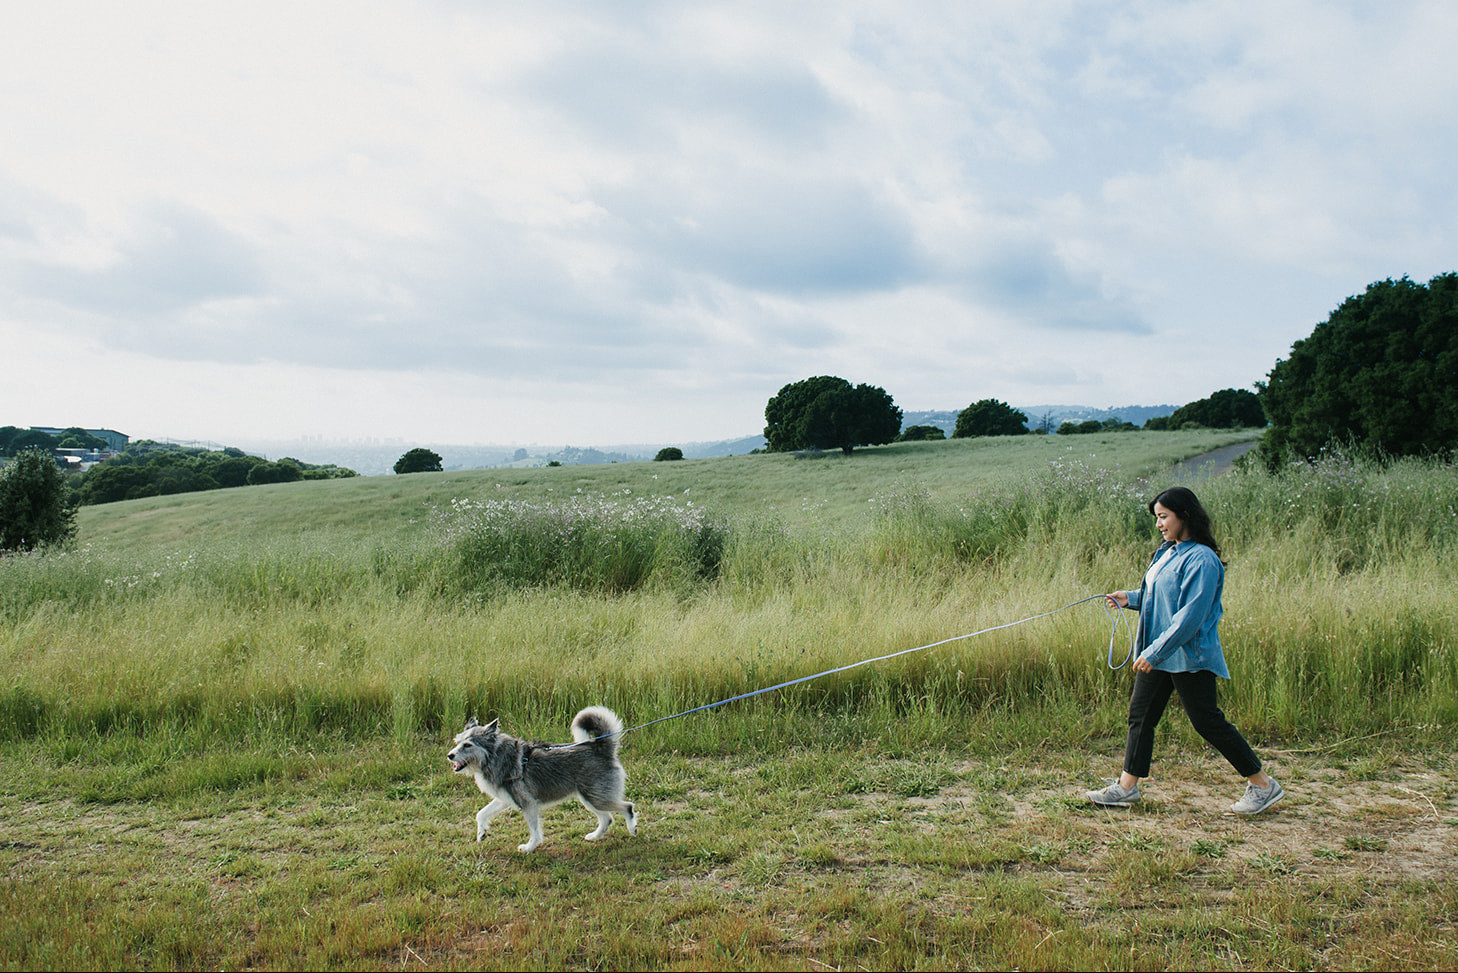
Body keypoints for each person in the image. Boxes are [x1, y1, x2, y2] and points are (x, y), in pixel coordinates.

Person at [1086, 486, 1283, 815]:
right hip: (1160, 656)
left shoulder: (1203, 560)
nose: (1159, 524)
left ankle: (1263, 785)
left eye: (1163, 517)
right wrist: (1130, 598)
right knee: (1141, 716)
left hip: (1188, 657)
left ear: (1185, 515)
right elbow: (1159, 596)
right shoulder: (1166, 551)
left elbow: (1190, 617)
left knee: (1207, 722)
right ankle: (1126, 789)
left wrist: (1153, 652)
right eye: (1157, 518)